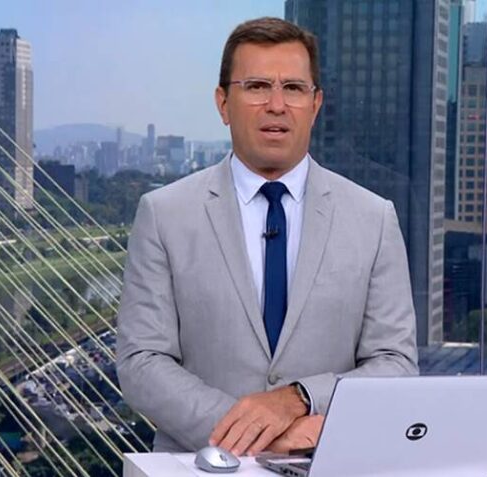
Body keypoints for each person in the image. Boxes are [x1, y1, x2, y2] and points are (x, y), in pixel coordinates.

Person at [116, 16, 418, 456]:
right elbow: (142, 362)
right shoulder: (164, 214)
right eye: (257, 86)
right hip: (202, 465)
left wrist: (298, 398)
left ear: (315, 104)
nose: (277, 105)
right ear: (223, 104)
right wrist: (259, 435)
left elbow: (396, 365)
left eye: (293, 88)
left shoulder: (373, 219)